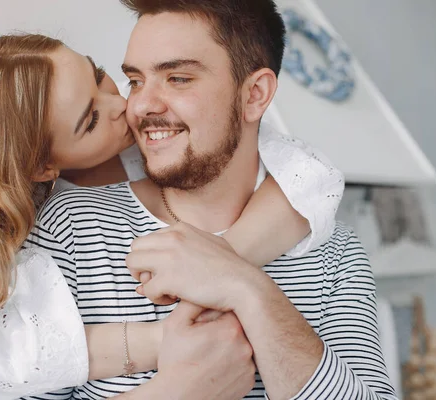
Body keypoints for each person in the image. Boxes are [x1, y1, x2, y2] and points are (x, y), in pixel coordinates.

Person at [0, 32, 344, 400]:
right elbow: (5, 353)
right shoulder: (44, 241)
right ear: (43, 167)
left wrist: (217, 267)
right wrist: (167, 368)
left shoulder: (166, 143)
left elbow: (312, 175)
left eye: (100, 76)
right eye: (91, 119)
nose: (124, 105)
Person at [21, 0, 398, 399]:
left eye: (178, 78)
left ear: (255, 94)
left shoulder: (335, 254)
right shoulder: (74, 226)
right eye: (135, 80)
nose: (141, 105)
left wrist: (245, 286)